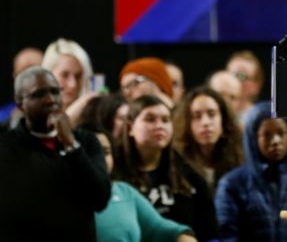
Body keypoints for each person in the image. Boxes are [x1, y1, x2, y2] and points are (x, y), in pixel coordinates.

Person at [0, 67, 110, 241]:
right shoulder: (6, 148)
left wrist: (72, 146)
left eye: (55, 92)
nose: (50, 100)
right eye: (38, 95)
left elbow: (100, 199)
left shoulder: (86, 141)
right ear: (20, 103)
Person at [113, 95, 218, 241]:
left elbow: (209, 231)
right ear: (130, 128)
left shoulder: (188, 175)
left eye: (165, 120)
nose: (160, 126)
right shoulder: (114, 174)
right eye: (150, 119)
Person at [215, 104, 287, 242]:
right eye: (267, 134)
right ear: (253, 137)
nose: (275, 141)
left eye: (281, 133)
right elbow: (227, 235)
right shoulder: (231, 184)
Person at [87, 124, 198, 242]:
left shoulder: (124, 192)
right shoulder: (67, 200)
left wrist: (182, 235)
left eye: (106, 152)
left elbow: (157, 227)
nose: (101, 159)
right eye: (92, 152)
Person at [173, 86, 244, 191]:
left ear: (223, 120)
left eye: (212, 114)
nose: (205, 122)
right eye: (197, 116)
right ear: (187, 124)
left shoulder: (240, 160)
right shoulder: (176, 165)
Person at [41, 37, 97, 125]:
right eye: (65, 75)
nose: (73, 84)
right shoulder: (35, 116)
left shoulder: (91, 118)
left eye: (78, 76)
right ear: (48, 74)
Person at [0, 46, 43, 127]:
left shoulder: (63, 116)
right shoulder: (2, 118)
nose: (29, 81)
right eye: (23, 74)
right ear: (14, 77)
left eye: (35, 73)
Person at [225, 50, 264, 120]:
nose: (234, 81)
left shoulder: (259, 121)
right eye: (232, 75)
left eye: (242, 76)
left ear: (256, 85)